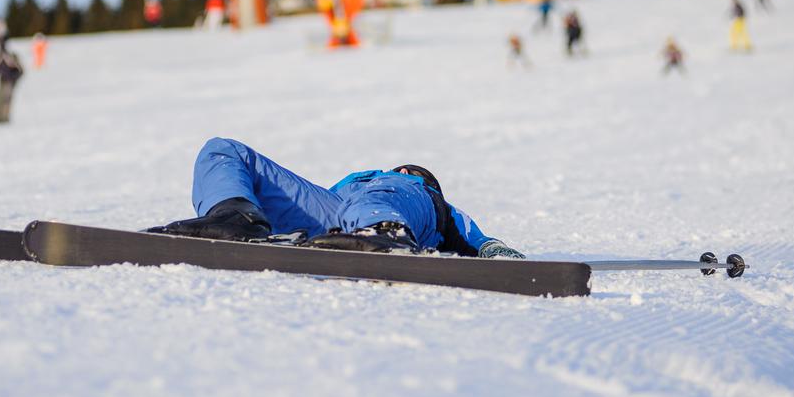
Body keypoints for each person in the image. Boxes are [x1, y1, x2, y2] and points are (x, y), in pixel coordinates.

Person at [150, 137, 526, 258]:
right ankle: (234, 217)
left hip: (400, 219)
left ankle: (386, 232)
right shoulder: (356, 183)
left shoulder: (426, 197)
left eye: (412, 171)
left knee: (379, 195)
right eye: (402, 168)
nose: (404, 170)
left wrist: (498, 252)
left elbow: (481, 241)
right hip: (336, 217)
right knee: (222, 149)